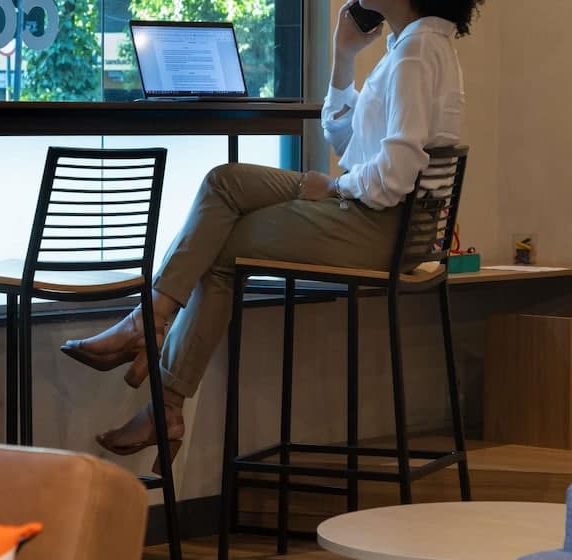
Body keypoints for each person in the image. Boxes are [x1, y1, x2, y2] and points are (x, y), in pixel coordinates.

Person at [61, 0, 485, 466]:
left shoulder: (416, 52)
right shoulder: (416, 46)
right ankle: (151, 338)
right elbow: (348, 143)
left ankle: (157, 368)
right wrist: (343, 57)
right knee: (224, 183)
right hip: (378, 219)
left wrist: (336, 186)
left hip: (376, 227)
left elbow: (395, 176)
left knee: (219, 245)